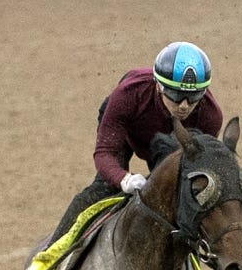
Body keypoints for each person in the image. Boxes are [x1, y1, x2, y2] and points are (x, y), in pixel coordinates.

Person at [48, 41, 224, 241]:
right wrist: (124, 179)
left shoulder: (210, 116)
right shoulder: (128, 95)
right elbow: (104, 152)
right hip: (131, 128)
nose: (184, 106)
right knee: (104, 187)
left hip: (171, 142)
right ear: (159, 85)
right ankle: (50, 254)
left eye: (194, 96)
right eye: (176, 95)